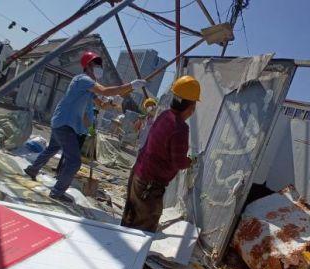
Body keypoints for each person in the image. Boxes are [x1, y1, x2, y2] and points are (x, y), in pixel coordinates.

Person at [24, 51, 146, 203]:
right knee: (74, 162)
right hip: (65, 124)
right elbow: (105, 90)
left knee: (52, 148)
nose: (100, 68)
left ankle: (32, 169)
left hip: (62, 122)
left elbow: (101, 104)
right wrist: (131, 86)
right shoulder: (83, 79)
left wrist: (111, 101)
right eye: (97, 65)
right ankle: (56, 192)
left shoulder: (88, 88)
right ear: (88, 66)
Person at [121, 76, 200, 232]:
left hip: (139, 174)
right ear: (191, 106)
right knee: (143, 228)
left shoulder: (164, 116)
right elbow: (179, 162)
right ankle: (132, 255)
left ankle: (121, 255)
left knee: (130, 220)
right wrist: (190, 161)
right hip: (150, 184)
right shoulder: (180, 128)